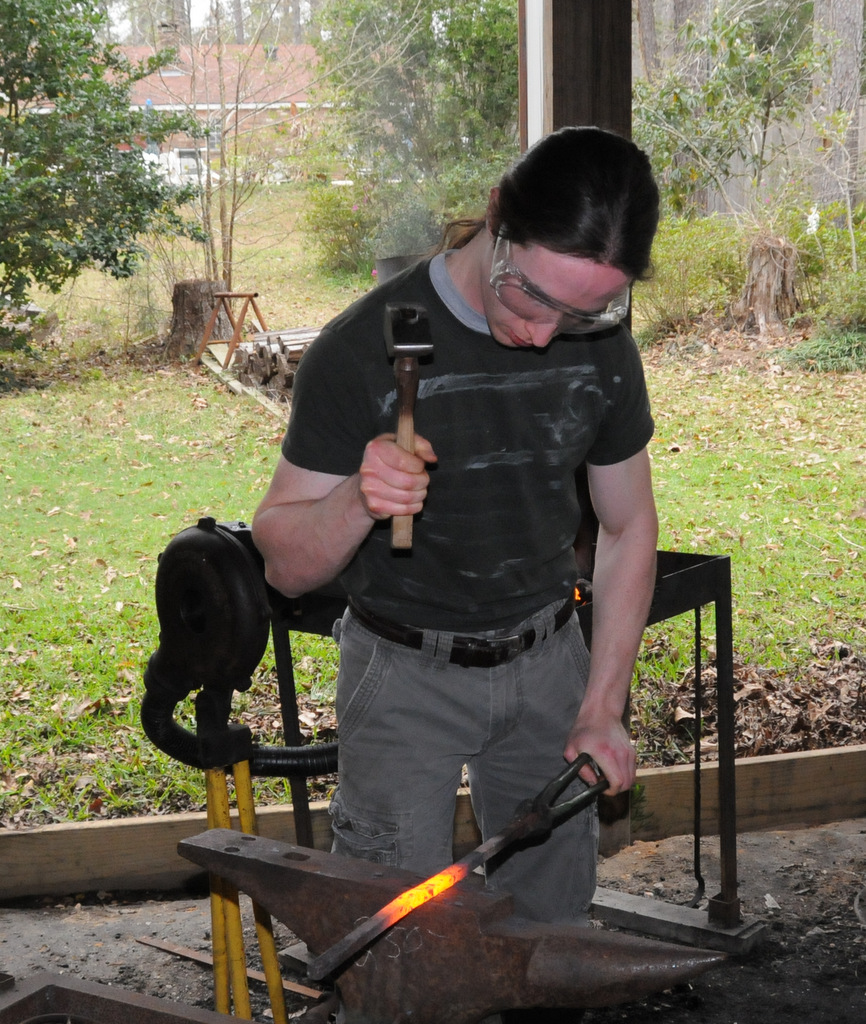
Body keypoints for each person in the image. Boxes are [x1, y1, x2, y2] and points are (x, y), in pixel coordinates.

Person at [253, 126, 660, 1021]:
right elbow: (283, 562)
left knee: (550, 941)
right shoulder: (361, 347)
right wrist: (358, 499)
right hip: (403, 673)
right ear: (498, 218)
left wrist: (602, 704)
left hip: (549, 661)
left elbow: (630, 527)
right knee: (392, 956)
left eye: (583, 313)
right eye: (533, 296)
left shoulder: (599, 343)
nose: (544, 333)